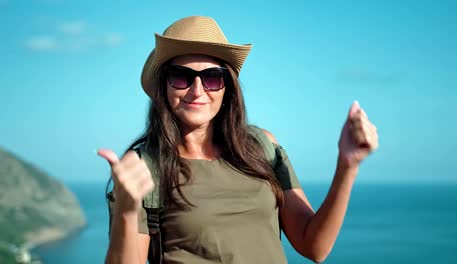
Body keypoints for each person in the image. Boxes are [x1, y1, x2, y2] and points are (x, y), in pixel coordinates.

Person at [98, 16, 378, 264]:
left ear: (227, 87)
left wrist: (347, 164)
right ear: (164, 86)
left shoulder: (261, 147)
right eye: (181, 76)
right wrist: (126, 210)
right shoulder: (143, 167)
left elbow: (314, 246)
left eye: (211, 77)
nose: (197, 90)